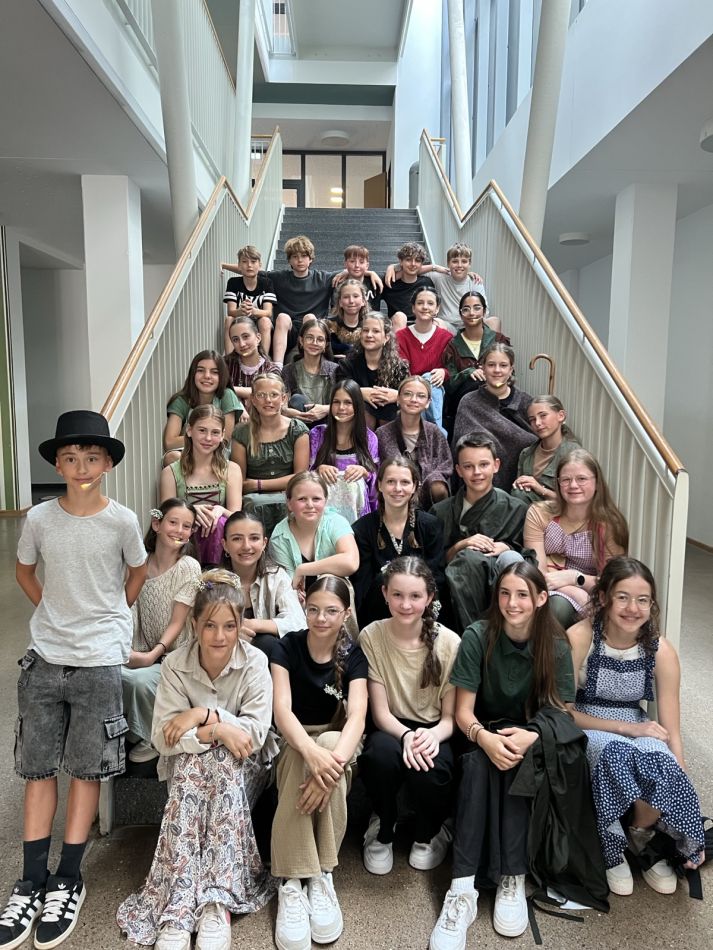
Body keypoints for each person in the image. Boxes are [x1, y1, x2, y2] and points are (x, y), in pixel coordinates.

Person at [4, 410, 146, 950]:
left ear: (107, 464)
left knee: (87, 768)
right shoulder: (40, 518)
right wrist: (52, 610)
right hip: (46, 655)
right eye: (70, 458)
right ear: (58, 466)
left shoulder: (122, 521)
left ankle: (68, 876)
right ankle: (30, 880)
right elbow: (24, 570)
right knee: (38, 767)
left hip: (99, 657)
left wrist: (113, 615)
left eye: (91, 457)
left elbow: (136, 570)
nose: (81, 467)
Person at [116, 569, 277, 949]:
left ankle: (215, 903)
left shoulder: (255, 662)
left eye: (229, 626)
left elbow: (254, 736)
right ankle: (180, 905)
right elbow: (163, 737)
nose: (219, 636)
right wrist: (215, 732)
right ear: (194, 625)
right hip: (190, 769)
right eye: (209, 626)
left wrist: (204, 716)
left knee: (220, 764)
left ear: (240, 625)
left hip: (245, 769)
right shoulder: (175, 664)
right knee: (197, 764)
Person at [428, 562, 576, 950]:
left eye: (523, 594)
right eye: (505, 593)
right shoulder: (478, 635)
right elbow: (463, 713)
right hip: (481, 730)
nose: (512, 603)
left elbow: (563, 712)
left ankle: (513, 877)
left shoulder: (556, 644)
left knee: (519, 766)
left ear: (541, 598)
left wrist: (531, 736)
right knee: (479, 766)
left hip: (533, 733)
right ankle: (461, 890)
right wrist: (486, 740)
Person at [568, 557, 705, 896]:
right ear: (604, 598)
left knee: (662, 762)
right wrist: (625, 729)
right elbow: (563, 711)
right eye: (623, 597)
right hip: (588, 720)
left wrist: (680, 772)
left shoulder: (661, 650)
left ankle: (640, 835)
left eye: (643, 600)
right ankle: (611, 847)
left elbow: (671, 726)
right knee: (616, 755)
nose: (633, 608)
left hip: (636, 720)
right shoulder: (580, 637)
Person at [270, 576, 368, 950]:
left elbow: (357, 718)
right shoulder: (287, 647)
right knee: (303, 751)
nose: (321, 618)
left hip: (338, 741)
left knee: (328, 744)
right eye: (313, 609)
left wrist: (332, 764)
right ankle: (293, 882)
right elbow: (282, 711)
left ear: (346, 613)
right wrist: (311, 754)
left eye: (330, 611)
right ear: (303, 607)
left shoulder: (354, 655)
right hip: (293, 739)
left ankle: (320, 875)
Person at [359, 557, 460, 876]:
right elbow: (380, 712)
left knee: (432, 766)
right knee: (378, 756)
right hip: (392, 726)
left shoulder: (449, 642)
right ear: (385, 594)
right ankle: (383, 824)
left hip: (434, 727)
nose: (405, 604)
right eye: (398, 595)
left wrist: (429, 736)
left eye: (415, 596)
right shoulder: (372, 636)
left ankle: (430, 831)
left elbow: (450, 719)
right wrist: (405, 736)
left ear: (429, 597)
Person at [122, 499, 202, 764]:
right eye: (173, 522)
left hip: (175, 655)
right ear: (157, 524)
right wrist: (128, 650)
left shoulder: (188, 566)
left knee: (139, 680)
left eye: (187, 526)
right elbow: (128, 608)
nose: (179, 530)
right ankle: (129, 728)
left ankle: (154, 737)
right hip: (145, 648)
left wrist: (152, 655)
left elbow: (178, 622)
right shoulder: (139, 564)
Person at [432, 436, 532, 631]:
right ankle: (473, 636)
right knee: (467, 559)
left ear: (496, 465)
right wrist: (462, 545)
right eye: (468, 466)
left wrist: (507, 547)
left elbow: (530, 559)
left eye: (483, 465)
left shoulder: (516, 509)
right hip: (454, 597)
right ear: (458, 470)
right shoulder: (440, 512)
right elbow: (433, 563)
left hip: (500, 590)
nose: (477, 472)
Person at [524, 448, 628, 628]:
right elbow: (539, 573)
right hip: (546, 588)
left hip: (592, 591)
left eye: (582, 479)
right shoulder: (539, 513)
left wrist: (575, 578)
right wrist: (574, 591)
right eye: (566, 479)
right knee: (557, 605)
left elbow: (611, 582)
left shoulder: (610, 525)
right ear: (558, 483)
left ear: (597, 483)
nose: (573, 485)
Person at [352, 457, 446, 627]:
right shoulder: (362, 529)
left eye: (404, 482)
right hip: (379, 614)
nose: (397, 489)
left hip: (421, 612)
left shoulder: (430, 526)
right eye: (390, 482)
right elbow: (363, 586)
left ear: (414, 486)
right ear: (379, 485)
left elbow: (437, 577)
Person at [265, 235, 380, 366]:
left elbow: (354, 269)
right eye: (295, 257)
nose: (300, 260)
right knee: (282, 317)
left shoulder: (323, 278)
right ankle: (277, 366)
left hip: (313, 329)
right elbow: (253, 272)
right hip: (288, 331)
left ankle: (309, 363)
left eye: (304, 256)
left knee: (309, 318)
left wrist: (370, 273)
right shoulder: (279, 277)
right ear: (289, 260)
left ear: (311, 259)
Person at [159, 405, 243, 567]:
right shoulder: (171, 472)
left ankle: (216, 571)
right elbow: (166, 515)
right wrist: (191, 512)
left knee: (220, 522)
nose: (208, 438)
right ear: (189, 431)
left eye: (215, 432)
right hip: (184, 536)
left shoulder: (232, 469)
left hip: (219, 537)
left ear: (222, 435)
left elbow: (236, 516)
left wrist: (220, 510)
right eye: (202, 430)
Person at [230, 372, 310, 535]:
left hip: (288, 494)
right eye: (261, 395)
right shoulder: (242, 433)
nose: (268, 400)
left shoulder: (297, 430)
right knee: (253, 503)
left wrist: (258, 484)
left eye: (274, 395)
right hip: (253, 499)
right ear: (253, 399)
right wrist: (252, 487)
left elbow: (300, 477)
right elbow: (240, 481)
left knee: (295, 503)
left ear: (284, 398)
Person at [222, 509, 305, 660]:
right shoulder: (214, 582)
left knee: (267, 642)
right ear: (225, 545)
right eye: (237, 539)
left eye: (254, 538)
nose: (246, 546)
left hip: (270, 658)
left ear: (264, 543)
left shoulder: (276, 576)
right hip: (225, 655)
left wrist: (253, 625)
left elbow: (298, 622)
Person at [452, 343, 536, 490]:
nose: (497, 370)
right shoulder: (469, 402)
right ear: (483, 368)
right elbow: (462, 445)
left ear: (511, 369)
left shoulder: (526, 402)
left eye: (503, 365)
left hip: (522, 486)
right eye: (491, 365)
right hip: (479, 483)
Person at [268, 472, 360, 607]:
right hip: (297, 605)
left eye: (316, 499)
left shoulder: (336, 522)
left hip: (334, 602)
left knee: (330, 580)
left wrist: (302, 569)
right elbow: (289, 585)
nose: (310, 505)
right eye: (302, 499)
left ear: (325, 501)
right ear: (289, 503)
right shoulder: (279, 536)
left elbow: (351, 562)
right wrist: (297, 595)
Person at [376, 376, 453, 508]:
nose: (414, 400)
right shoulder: (382, 434)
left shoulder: (434, 432)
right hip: (394, 493)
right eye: (407, 394)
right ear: (398, 399)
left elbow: (446, 465)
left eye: (421, 396)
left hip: (429, 497)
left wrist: (429, 481)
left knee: (438, 487)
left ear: (428, 402)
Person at [309, 379, 379, 522]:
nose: (341, 408)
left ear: (357, 405)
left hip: (357, 511)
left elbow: (378, 484)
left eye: (348, 403)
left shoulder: (369, 438)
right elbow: (304, 476)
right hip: (323, 509)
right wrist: (318, 470)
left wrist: (365, 473)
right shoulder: (317, 434)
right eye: (336, 402)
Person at [385, 242, 487, 332]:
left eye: (464, 262)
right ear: (448, 264)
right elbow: (413, 271)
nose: (459, 265)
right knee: (436, 323)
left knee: (493, 321)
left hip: (469, 324)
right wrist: (393, 267)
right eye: (455, 261)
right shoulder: (438, 278)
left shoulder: (475, 282)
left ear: (469, 264)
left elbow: (484, 311)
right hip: (447, 325)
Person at [163, 350, 243, 465]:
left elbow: (224, 439)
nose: (207, 376)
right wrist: (202, 438)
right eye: (200, 370)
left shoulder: (227, 395)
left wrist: (197, 436)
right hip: (189, 455)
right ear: (193, 374)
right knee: (172, 457)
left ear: (222, 376)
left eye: (214, 372)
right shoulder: (182, 400)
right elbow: (169, 442)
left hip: (218, 454)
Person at [442, 292, 510, 425]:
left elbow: (510, 374)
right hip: (463, 405)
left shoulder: (498, 340)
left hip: (497, 399)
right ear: (461, 314)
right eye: (466, 309)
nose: (472, 313)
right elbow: (449, 385)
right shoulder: (452, 346)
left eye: (477, 308)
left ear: (484, 311)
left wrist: (491, 376)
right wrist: (468, 373)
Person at [336, 311, 409, 428]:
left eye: (375, 331)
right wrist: (359, 392)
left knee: (390, 409)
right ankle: (366, 440)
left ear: (386, 337)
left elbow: (410, 394)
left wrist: (397, 395)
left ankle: (386, 440)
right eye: (365, 330)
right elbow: (339, 391)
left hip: (390, 420)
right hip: (356, 423)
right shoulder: (348, 364)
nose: (369, 335)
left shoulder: (399, 367)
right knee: (364, 408)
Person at [395, 287, 452, 434]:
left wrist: (443, 372)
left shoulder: (446, 337)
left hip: (436, 391)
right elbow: (402, 369)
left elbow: (453, 368)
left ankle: (429, 432)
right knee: (425, 380)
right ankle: (436, 434)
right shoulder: (401, 336)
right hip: (409, 387)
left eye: (430, 303)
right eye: (420, 303)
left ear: (437, 309)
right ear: (413, 308)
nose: (425, 307)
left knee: (430, 380)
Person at [512, 395, 580, 505]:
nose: (537, 423)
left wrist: (541, 489)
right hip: (529, 512)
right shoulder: (526, 454)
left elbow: (576, 501)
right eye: (532, 419)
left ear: (561, 416)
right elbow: (519, 493)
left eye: (543, 416)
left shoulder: (573, 453)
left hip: (560, 514)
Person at [221, 244, 277, 356]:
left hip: (260, 322)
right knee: (229, 319)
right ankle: (229, 360)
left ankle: (264, 359)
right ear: (239, 266)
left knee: (265, 321)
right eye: (244, 262)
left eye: (253, 261)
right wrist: (241, 311)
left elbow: (268, 312)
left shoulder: (266, 283)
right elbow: (230, 311)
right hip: (240, 321)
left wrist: (254, 311)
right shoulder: (233, 282)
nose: (249, 265)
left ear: (259, 265)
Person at [282, 318, 338, 425]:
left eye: (320, 339)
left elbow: (345, 403)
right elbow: (282, 403)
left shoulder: (335, 370)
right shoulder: (289, 370)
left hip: (328, 425)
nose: (314, 343)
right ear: (301, 341)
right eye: (309, 338)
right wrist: (289, 412)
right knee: (297, 399)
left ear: (326, 345)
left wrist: (326, 409)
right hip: (298, 425)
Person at [224, 315, 279, 415]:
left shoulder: (271, 369)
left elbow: (267, 394)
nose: (242, 344)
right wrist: (239, 406)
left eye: (246, 337)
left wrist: (229, 389)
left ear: (258, 338)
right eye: (235, 339)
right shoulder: (225, 365)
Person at [380, 241, 435, 331]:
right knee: (399, 316)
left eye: (417, 260)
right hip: (398, 325)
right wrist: (390, 267)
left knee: (438, 322)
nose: (413, 264)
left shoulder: (426, 282)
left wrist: (434, 267)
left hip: (421, 324)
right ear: (401, 262)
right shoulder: (389, 283)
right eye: (408, 259)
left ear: (421, 264)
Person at [325, 278, 368, 359]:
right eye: (346, 297)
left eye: (355, 296)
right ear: (340, 302)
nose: (351, 301)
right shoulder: (328, 327)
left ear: (363, 301)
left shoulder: (370, 327)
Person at [330, 244, 381, 311]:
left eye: (361, 262)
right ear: (345, 264)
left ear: (367, 265)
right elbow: (335, 310)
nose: (357, 265)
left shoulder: (376, 282)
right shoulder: (337, 282)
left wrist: (371, 273)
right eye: (352, 261)